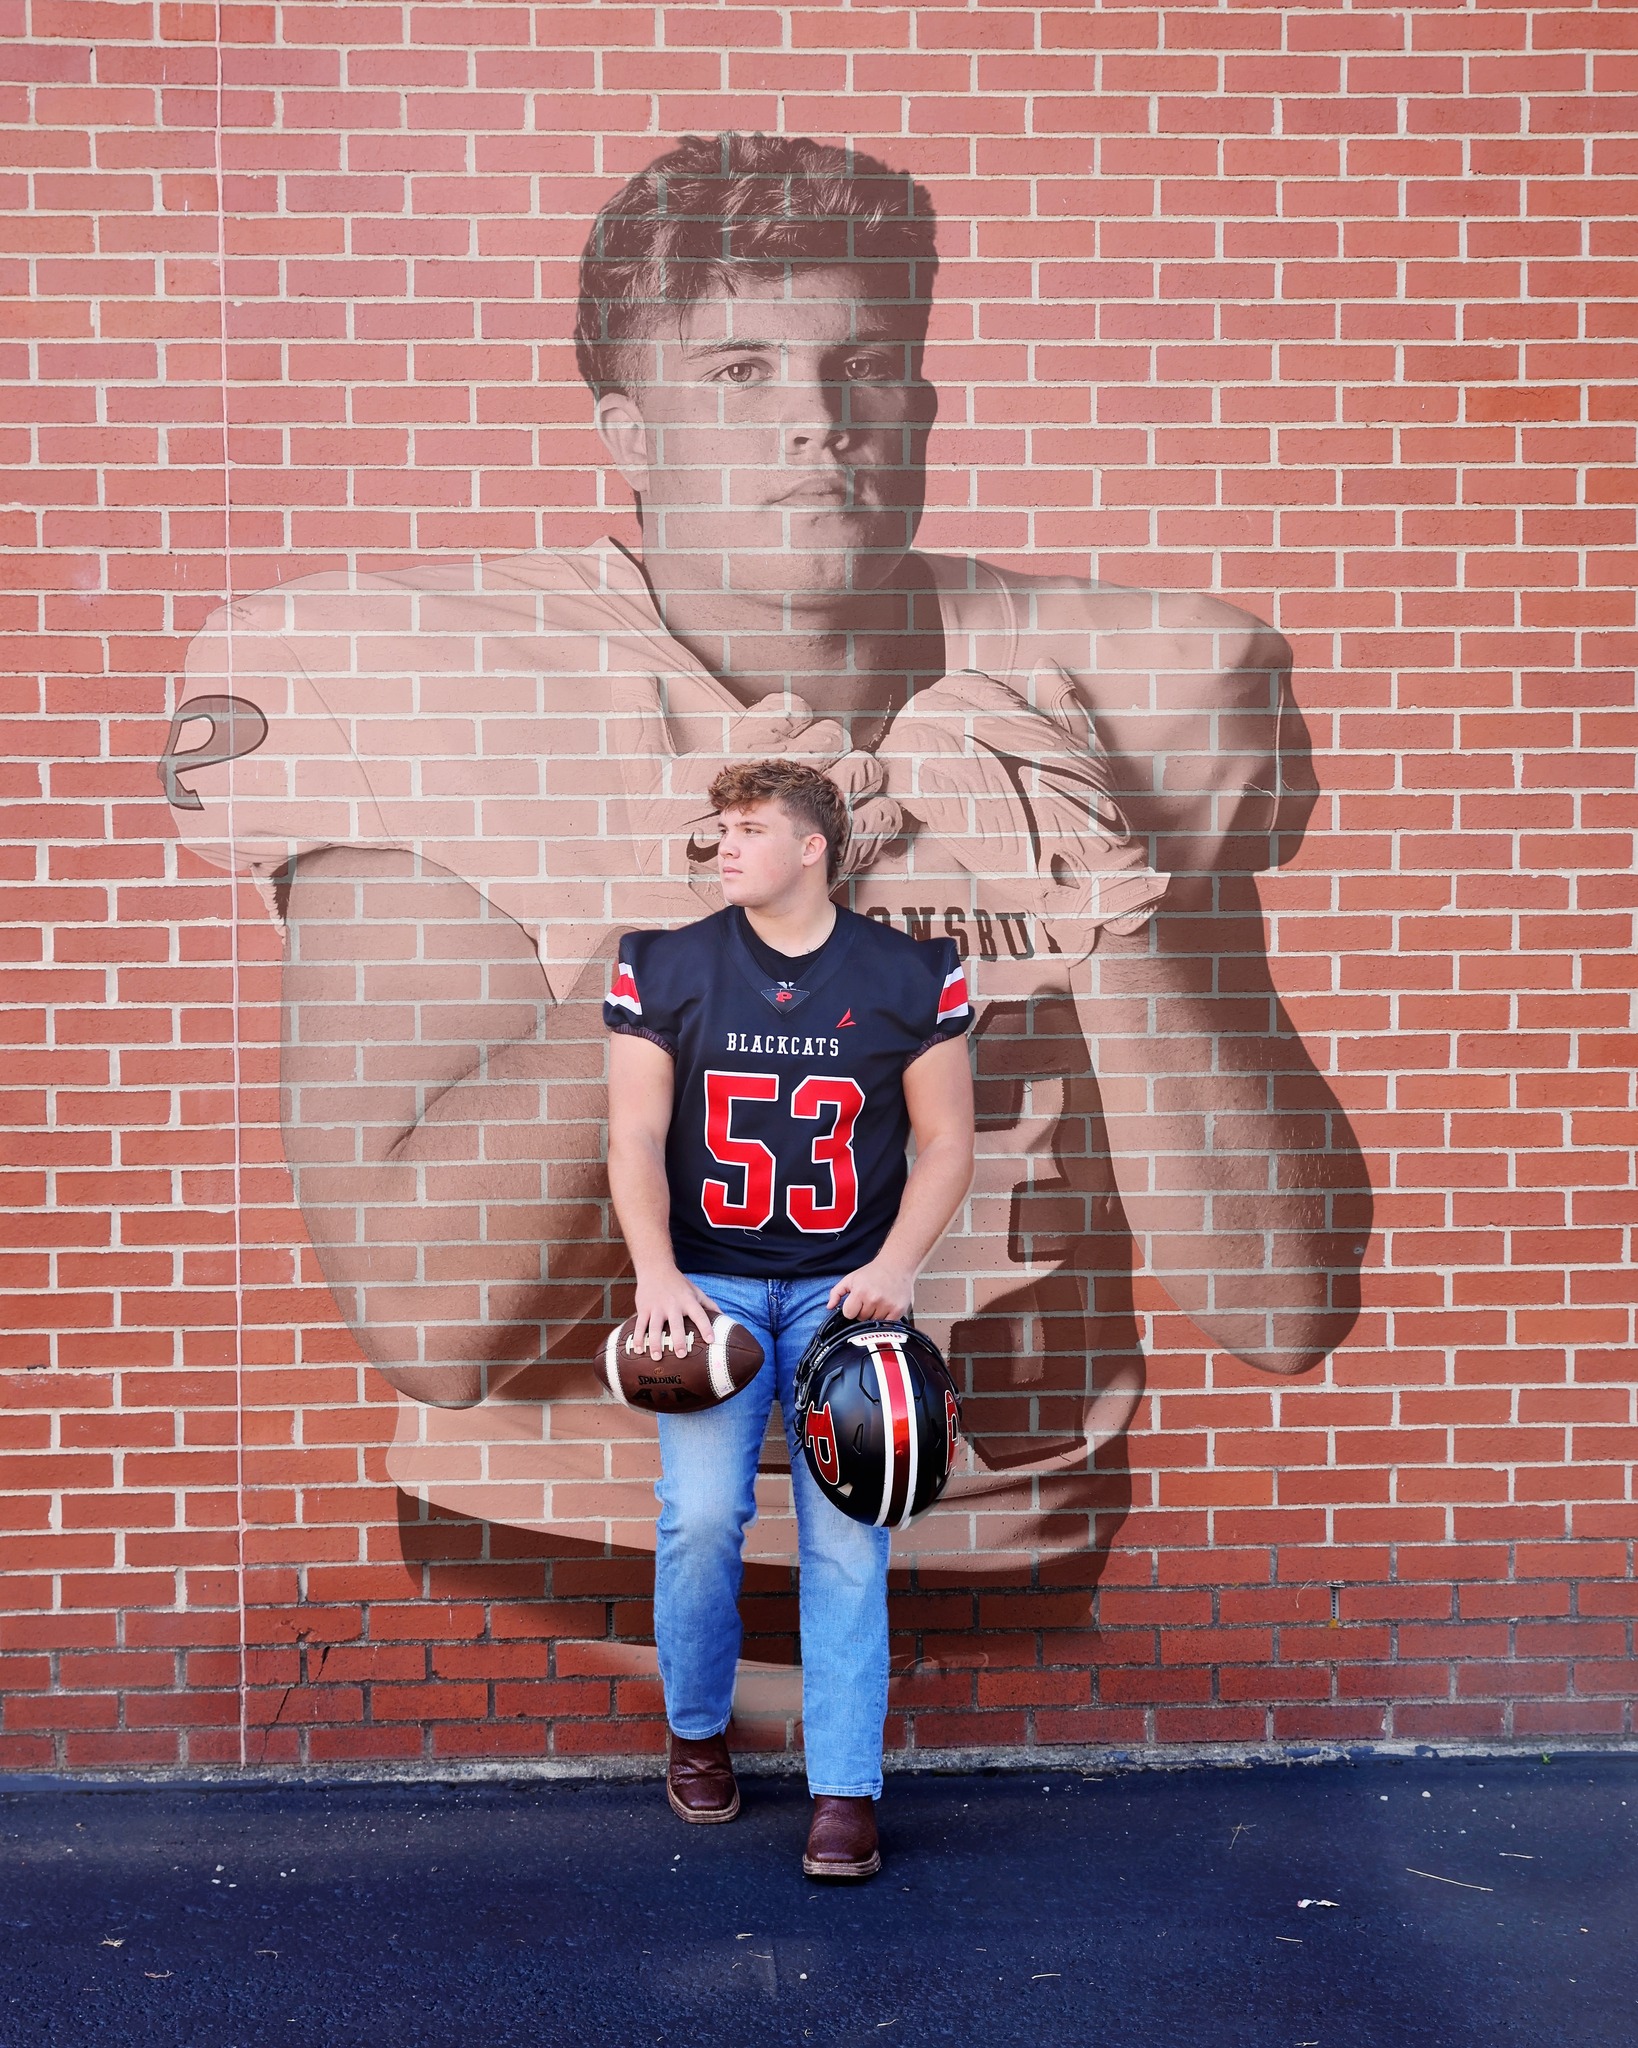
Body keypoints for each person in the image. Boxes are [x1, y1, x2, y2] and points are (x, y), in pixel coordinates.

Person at [161, 132, 1369, 1695]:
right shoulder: (434, 692)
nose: (816, 421)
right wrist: (679, 935)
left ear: (918, 404)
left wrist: (1114, 908)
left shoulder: (1108, 695)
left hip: (1012, 1566)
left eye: (861, 366)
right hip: (565, 1581)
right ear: (627, 429)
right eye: (738, 371)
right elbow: (433, 1323)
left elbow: (1278, 1304)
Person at [604, 758, 974, 1877]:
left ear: (814, 847)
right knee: (700, 1519)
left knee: (849, 1537)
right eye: (722, 826)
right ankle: (697, 1731)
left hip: (843, 1291)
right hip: (707, 1286)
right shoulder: (664, 963)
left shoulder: (909, 972)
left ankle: (845, 1790)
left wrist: (898, 1265)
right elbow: (633, 1135)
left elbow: (947, 1142)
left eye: (752, 827)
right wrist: (656, 1272)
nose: (726, 845)